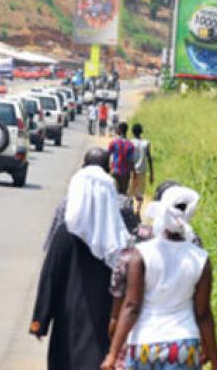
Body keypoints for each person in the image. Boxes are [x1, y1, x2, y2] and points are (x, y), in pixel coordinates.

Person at [101, 186, 217, 370]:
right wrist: (216, 363)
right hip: (183, 346)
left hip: (145, 343)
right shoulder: (200, 259)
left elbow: (132, 306)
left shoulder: (141, 254)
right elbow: (203, 314)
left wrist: (112, 355)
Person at [30, 148, 130, 370]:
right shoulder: (117, 238)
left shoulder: (66, 233)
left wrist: (40, 320)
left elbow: (50, 276)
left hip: (68, 319)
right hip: (104, 321)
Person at [128, 124, 154, 216]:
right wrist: (152, 174)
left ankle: (130, 210)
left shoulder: (130, 142)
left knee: (130, 192)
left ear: (132, 132)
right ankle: (138, 211)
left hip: (132, 171)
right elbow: (149, 158)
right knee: (140, 193)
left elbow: (129, 158)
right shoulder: (146, 143)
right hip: (142, 171)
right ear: (141, 131)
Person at [107, 122, 134, 194]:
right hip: (125, 173)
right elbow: (131, 161)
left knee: (114, 193)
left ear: (119, 130)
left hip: (115, 170)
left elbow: (107, 155)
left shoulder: (114, 142)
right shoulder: (130, 144)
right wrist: (132, 172)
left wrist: (108, 168)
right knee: (123, 193)